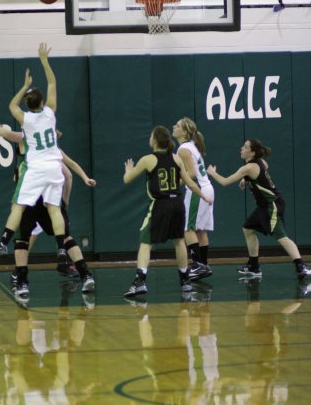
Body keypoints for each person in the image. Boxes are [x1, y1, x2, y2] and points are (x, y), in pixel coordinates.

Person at [0, 125, 96, 299]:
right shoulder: (52, 148)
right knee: (66, 237)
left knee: (22, 239)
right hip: (49, 197)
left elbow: (7, 133)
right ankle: (85, 274)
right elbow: (69, 172)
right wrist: (70, 196)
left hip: (30, 196)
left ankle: (21, 279)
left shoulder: (27, 141)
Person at [0, 43, 67, 266]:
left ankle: (2, 241)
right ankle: (61, 248)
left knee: (19, 206)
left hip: (37, 168)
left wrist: (24, 86)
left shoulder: (25, 118)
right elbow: (52, 81)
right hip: (54, 166)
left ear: (27, 104)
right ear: (42, 102)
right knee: (54, 209)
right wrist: (43, 60)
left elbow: (11, 105)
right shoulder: (50, 112)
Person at [123, 125, 213, 296]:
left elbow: (127, 179)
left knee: (145, 241)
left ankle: (140, 281)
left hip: (160, 204)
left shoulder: (148, 159)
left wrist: (128, 170)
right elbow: (190, 182)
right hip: (177, 204)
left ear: (155, 140)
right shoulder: (176, 158)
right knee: (179, 241)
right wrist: (204, 196)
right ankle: (185, 280)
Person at [207, 138, 311, 280]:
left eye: (245, 147)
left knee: (281, 236)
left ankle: (301, 266)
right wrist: (246, 179)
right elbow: (264, 168)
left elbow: (225, 182)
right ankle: (254, 267)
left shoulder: (248, 168)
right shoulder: (260, 162)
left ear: (252, 152)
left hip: (272, 204)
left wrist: (212, 173)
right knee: (248, 229)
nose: (241, 149)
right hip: (264, 206)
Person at [172, 117, 214, 280]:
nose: (173, 127)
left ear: (184, 132)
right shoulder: (191, 146)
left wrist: (175, 183)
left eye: (177, 126)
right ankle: (204, 265)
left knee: (187, 229)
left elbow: (191, 174)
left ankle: (198, 265)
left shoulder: (183, 149)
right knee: (200, 230)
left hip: (198, 190)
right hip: (207, 188)